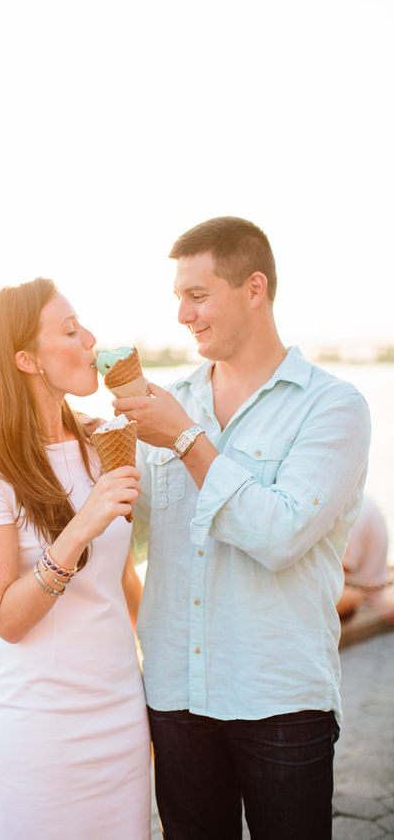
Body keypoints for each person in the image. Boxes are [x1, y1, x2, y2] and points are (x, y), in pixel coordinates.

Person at [113, 217, 371, 840]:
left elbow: (280, 535)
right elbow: (133, 539)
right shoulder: (168, 402)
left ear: (255, 288)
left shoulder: (333, 407)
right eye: (178, 297)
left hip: (279, 698)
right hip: (176, 693)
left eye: (197, 296)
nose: (182, 315)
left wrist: (185, 440)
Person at [0, 278, 151, 840]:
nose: (90, 339)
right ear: (25, 359)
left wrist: (159, 685)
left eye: (82, 324)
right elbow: (6, 619)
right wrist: (80, 526)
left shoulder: (102, 442)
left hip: (120, 715)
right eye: (68, 331)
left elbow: (122, 582)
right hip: (38, 729)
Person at [336, 495, 394, 622]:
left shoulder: (348, 513)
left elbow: (337, 587)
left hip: (360, 606)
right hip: (372, 600)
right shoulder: (361, 502)